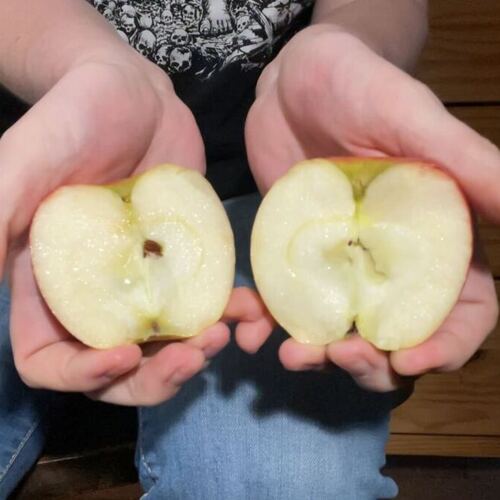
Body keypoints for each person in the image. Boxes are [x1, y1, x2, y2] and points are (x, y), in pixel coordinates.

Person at [0, 0, 498, 498]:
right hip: (50, 163)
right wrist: (89, 67)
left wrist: (349, 42)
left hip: (285, 172)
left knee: (289, 485)